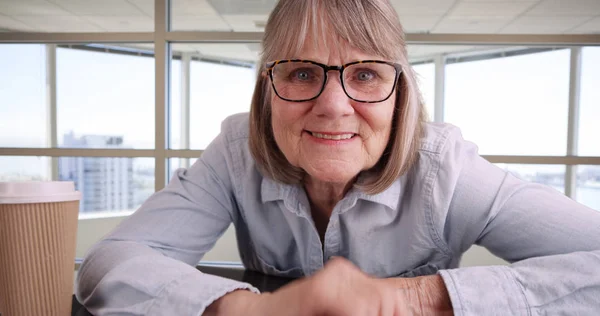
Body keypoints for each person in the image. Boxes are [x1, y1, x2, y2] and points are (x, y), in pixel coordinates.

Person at [76, 0, 600, 315]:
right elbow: (110, 262)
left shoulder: (449, 171)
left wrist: (404, 301)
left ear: (400, 94)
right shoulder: (235, 153)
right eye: (302, 72)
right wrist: (254, 311)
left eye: (366, 74)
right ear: (268, 89)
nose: (332, 106)